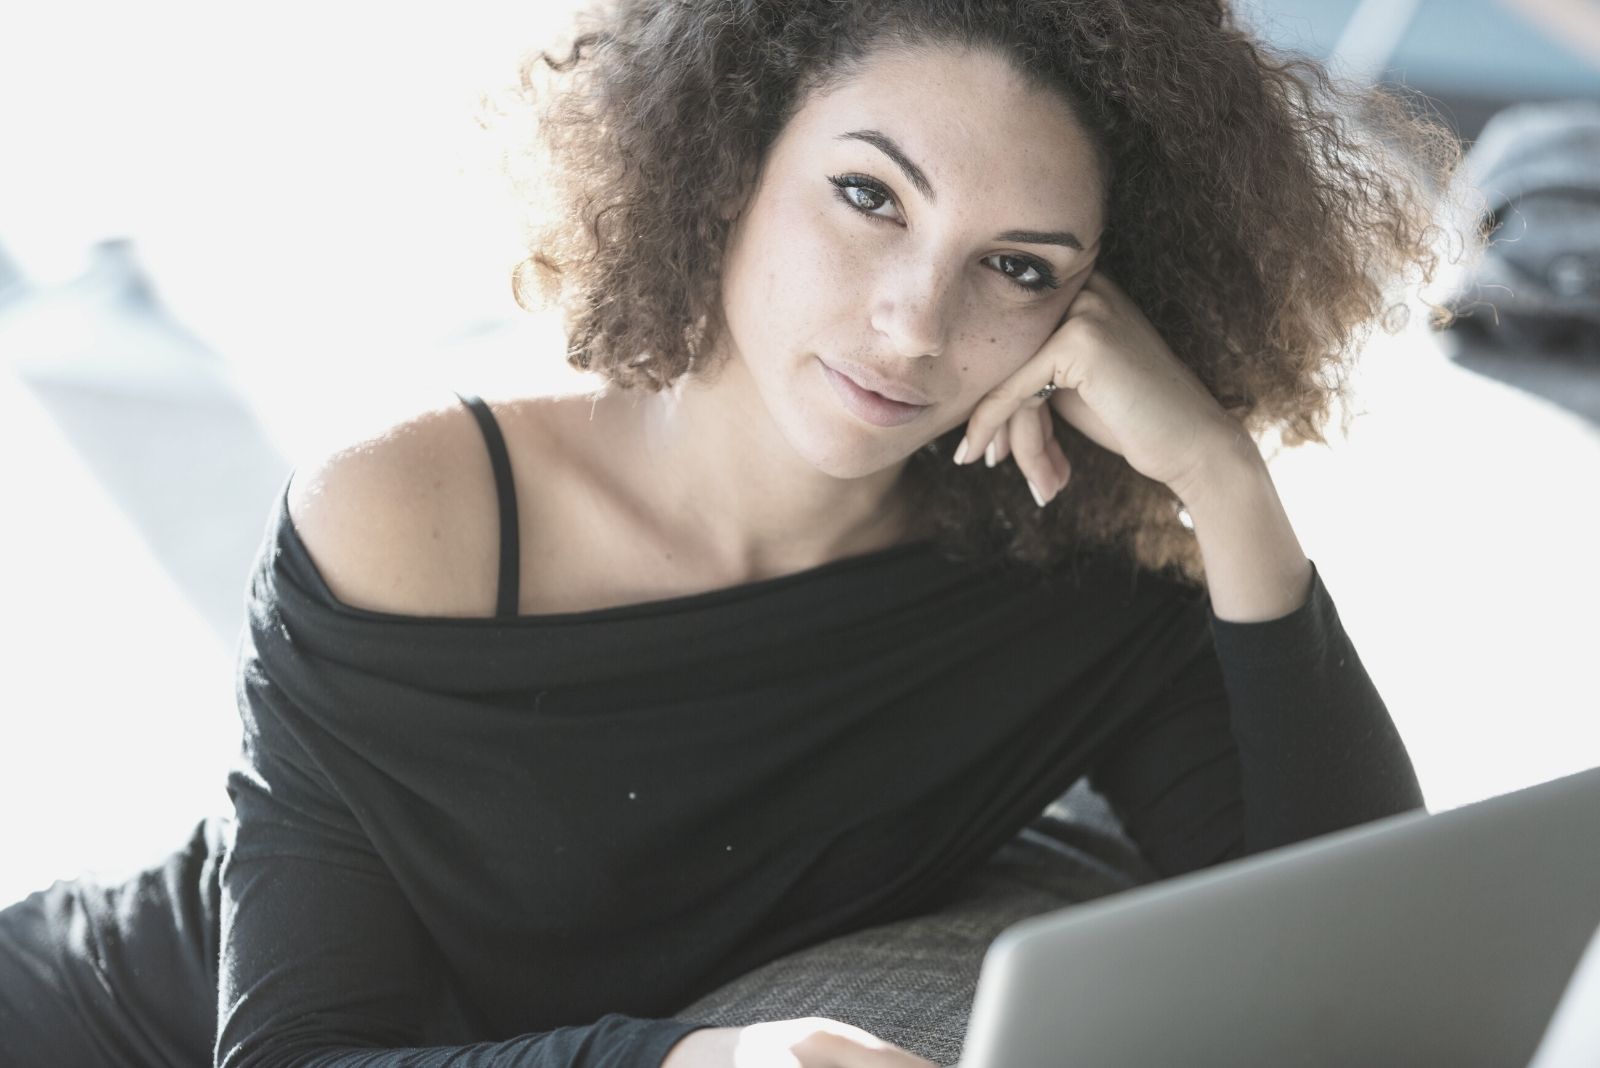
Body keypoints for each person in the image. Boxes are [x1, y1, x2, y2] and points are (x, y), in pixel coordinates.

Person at [0, 0, 1469, 1065]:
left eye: (1017, 268)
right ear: (727, 168)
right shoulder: (421, 511)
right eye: (865, 196)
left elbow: (1376, 970)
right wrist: (686, 1064)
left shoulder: (1064, 578)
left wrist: (1223, 482)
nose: (914, 319)